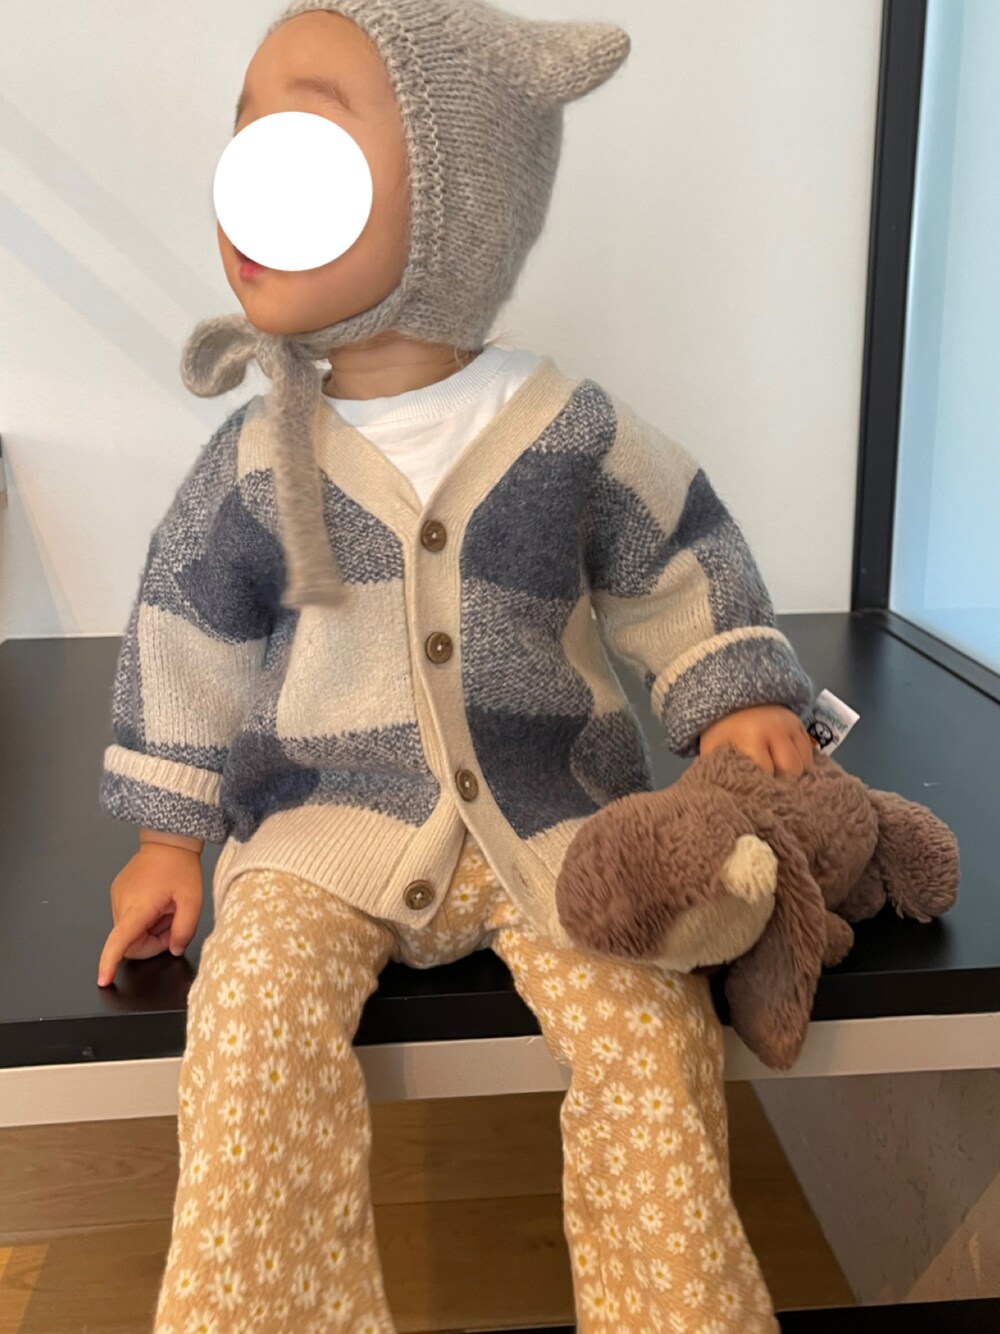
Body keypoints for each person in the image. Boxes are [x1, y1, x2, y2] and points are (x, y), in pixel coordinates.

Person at [97, 3, 816, 1329]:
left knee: (654, 1033)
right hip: (322, 830)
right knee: (248, 1027)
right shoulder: (258, 457)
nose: (252, 172)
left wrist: (735, 688)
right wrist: (166, 840)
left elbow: (679, 549)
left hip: (557, 822)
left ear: (454, 200)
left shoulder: (569, 428)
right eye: (245, 133)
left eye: (307, 136)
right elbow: (184, 633)